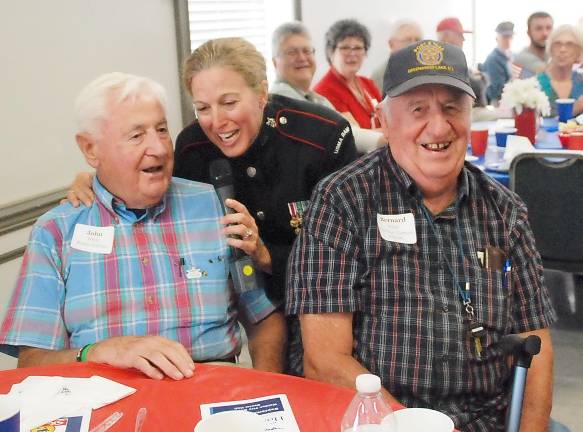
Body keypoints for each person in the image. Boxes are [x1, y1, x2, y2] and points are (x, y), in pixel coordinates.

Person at [287, 40, 556, 431]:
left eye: (452, 108)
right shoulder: (342, 201)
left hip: (487, 420)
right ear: (383, 120)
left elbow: (538, 343)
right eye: (418, 110)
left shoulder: (505, 212)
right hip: (379, 421)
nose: (438, 126)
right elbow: (324, 360)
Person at [62, 38, 358, 372]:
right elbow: (156, 195)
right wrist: (95, 179)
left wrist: (264, 254)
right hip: (253, 311)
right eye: (203, 108)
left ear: (262, 93)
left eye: (229, 103)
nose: (217, 122)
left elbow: (349, 256)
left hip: (329, 303)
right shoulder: (191, 148)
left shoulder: (321, 137)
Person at [0, 72, 285, 379]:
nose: (160, 149)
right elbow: (31, 363)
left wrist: (264, 391)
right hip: (103, 397)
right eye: (137, 136)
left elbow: (264, 320)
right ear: (90, 149)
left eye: (162, 130)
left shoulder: (214, 207)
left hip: (210, 392)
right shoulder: (56, 232)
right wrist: (99, 353)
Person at [270, 21, 385, 153]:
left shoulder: (317, 98)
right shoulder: (281, 98)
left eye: (307, 51)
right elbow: (339, 134)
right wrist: (382, 140)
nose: (302, 58)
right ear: (274, 62)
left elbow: (346, 130)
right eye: (292, 52)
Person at [314, 19, 383, 130]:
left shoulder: (368, 83)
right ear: (331, 52)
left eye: (358, 48)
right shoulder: (324, 91)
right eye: (345, 47)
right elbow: (355, 136)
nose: (352, 54)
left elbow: (390, 120)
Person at [436, 17, 488, 108]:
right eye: (460, 35)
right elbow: (475, 89)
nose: (464, 39)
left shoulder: (451, 59)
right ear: (446, 36)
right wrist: (480, 79)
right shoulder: (444, 62)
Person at [536, 24, 583, 117]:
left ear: (579, 51)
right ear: (550, 49)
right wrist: (577, 108)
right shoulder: (537, 84)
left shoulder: (581, 81)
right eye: (557, 44)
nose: (562, 49)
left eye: (570, 44)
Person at [370, 19, 423, 91]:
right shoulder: (381, 76)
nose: (414, 45)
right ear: (391, 44)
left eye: (417, 40)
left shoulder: (428, 71)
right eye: (407, 40)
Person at [482, 21, 515, 105]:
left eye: (510, 36)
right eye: (505, 37)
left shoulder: (513, 56)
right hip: (498, 102)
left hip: (511, 100)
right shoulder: (493, 59)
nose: (508, 40)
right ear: (497, 38)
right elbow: (497, 90)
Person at [515, 12, 554, 78]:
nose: (545, 33)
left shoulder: (554, 55)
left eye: (548, 28)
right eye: (539, 28)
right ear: (529, 33)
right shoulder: (522, 58)